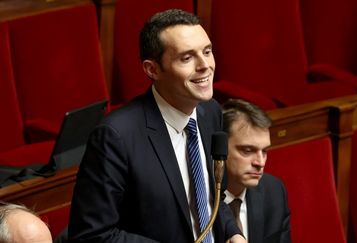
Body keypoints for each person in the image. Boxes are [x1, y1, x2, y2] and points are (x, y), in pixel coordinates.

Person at [68, 9, 245, 243]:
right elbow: (91, 236)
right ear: (152, 69)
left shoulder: (209, 111)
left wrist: (232, 233)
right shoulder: (116, 136)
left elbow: (214, 195)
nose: (205, 65)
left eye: (207, 51)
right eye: (187, 58)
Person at [222, 99, 291, 243]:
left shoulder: (274, 191)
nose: (260, 163)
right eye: (247, 151)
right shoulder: (197, 196)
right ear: (220, 148)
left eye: (264, 151)